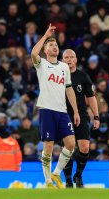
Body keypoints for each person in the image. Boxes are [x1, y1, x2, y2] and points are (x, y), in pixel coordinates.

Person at [31, 24, 80, 188]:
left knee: (71, 144)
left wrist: (76, 111)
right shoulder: (42, 64)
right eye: (51, 45)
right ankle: (47, 181)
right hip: (47, 109)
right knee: (49, 146)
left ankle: (56, 173)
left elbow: (69, 89)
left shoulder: (64, 67)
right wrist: (45, 36)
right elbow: (32, 53)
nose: (54, 47)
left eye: (56, 45)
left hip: (62, 111)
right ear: (45, 49)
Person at [62, 49, 100, 188]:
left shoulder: (83, 76)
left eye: (72, 57)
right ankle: (67, 180)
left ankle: (78, 175)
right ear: (62, 60)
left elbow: (91, 97)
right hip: (63, 115)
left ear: (76, 60)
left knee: (84, 147)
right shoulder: (57, 76)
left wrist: (96, 116)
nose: (69, 59)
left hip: (82, 115)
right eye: (66, 57)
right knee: (68, 148)